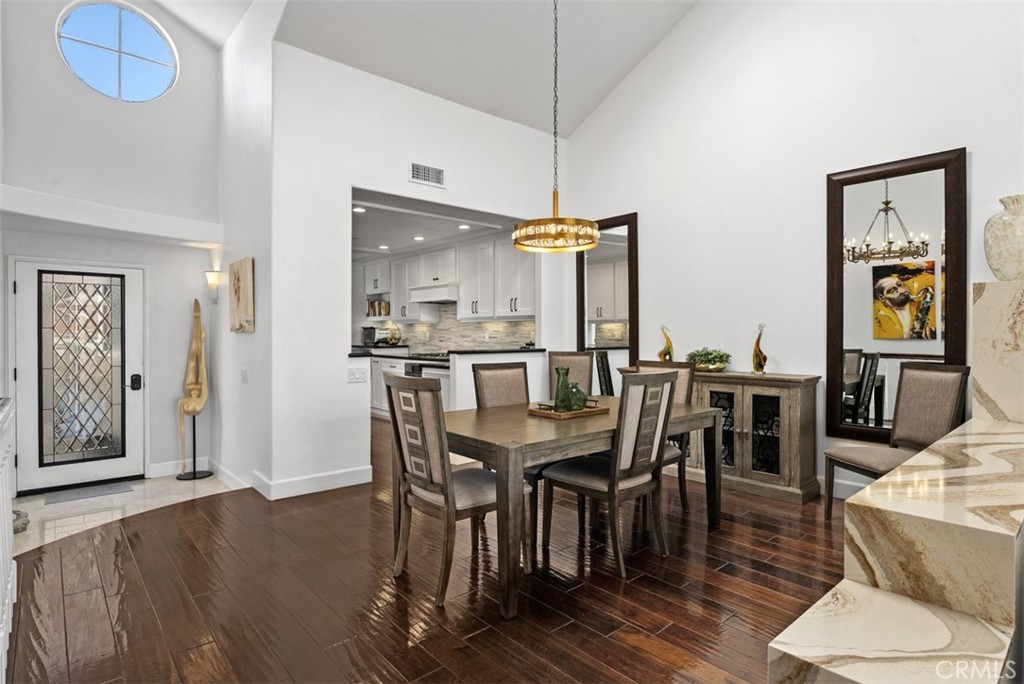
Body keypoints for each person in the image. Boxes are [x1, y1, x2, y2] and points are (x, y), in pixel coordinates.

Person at [873, 275, 935, 339]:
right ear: (882, 298)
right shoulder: (879, 317)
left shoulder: (921, 304)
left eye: (900, 285)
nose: (902, 290)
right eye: (893, 291)